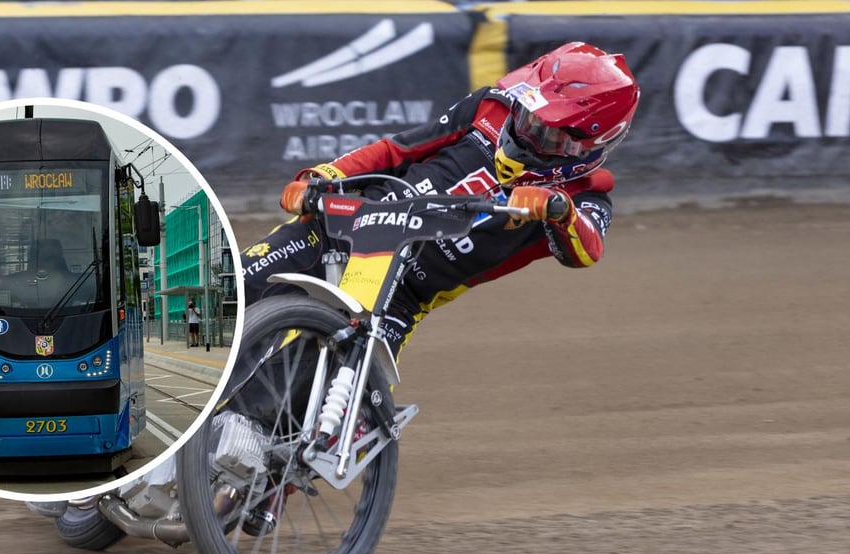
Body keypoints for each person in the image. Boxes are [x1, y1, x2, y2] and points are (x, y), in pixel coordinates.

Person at [243, 41, 640, 358]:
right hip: (341, 230)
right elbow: (396, 150)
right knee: (221, 298)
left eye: (547, 133)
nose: (526, 131)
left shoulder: (586, 194)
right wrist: (325, 177)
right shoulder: (490, 107)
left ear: (590, 144)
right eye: (527, 114)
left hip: (402, 294)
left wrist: (560, 212)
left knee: (309, 389)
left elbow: (586, 251)